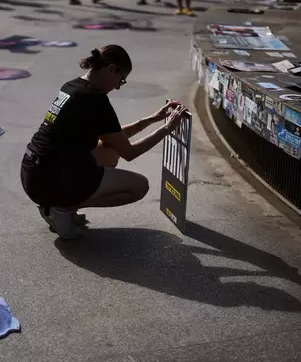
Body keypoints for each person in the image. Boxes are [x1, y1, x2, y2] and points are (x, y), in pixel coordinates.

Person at [20, 45, 189, 239]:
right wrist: (167, 128)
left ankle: (57, 205)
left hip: (33, 172)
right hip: (51, 177)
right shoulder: (95, 100)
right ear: (110, 69)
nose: (118, 86)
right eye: (121, 79)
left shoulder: (73, 86)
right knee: (139, 186)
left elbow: (113, 138)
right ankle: (62, 208)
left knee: (109, 152)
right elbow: (130, 153)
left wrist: (152, 119)